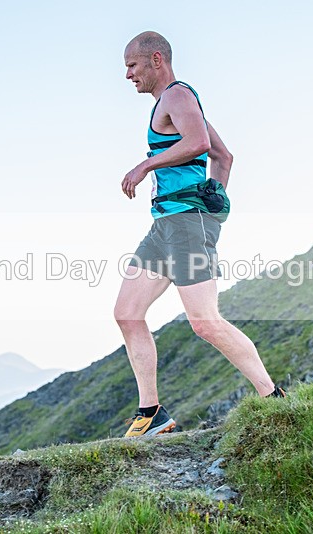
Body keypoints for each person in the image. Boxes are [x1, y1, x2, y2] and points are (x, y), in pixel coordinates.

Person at [115, 31, 285, 438]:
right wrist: (216, 197)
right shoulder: (171, 103)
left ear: (156, 59)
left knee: (205, 322)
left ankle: (274, 398)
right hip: (166, 226)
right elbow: (222, 156)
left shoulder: (177, 95)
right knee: (127, 312)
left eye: (132, 66)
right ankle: (152, 414)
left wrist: (147, 165)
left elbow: (199, 143)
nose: (127, 75)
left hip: (186, 224)